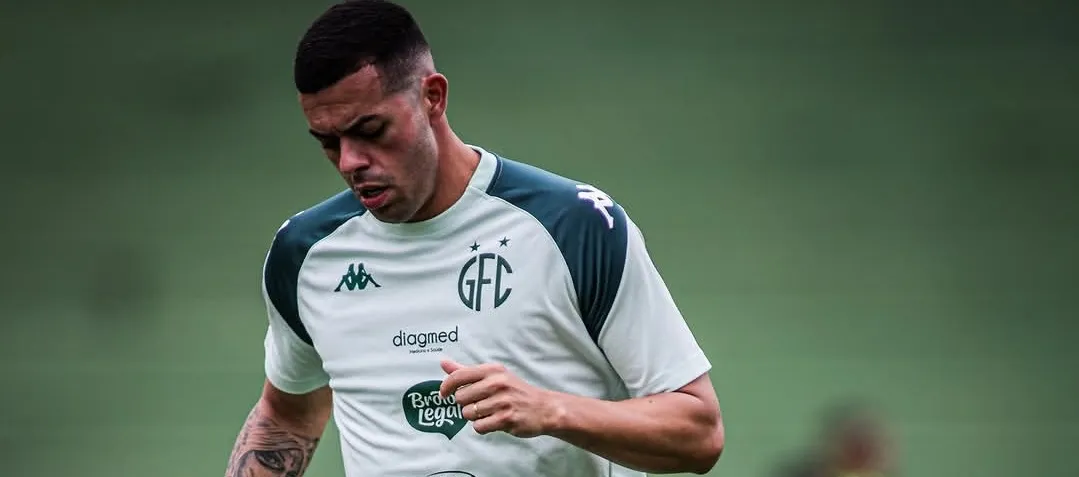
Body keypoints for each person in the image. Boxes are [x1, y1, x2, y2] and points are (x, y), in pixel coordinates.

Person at [223, 1, 724, 475]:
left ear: (432, 97)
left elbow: (698, 432)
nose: (351, 161)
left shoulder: (574, 226)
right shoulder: (305, 254)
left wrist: (550, 409)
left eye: (371, 130)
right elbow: (286, 415)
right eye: (329, 143)